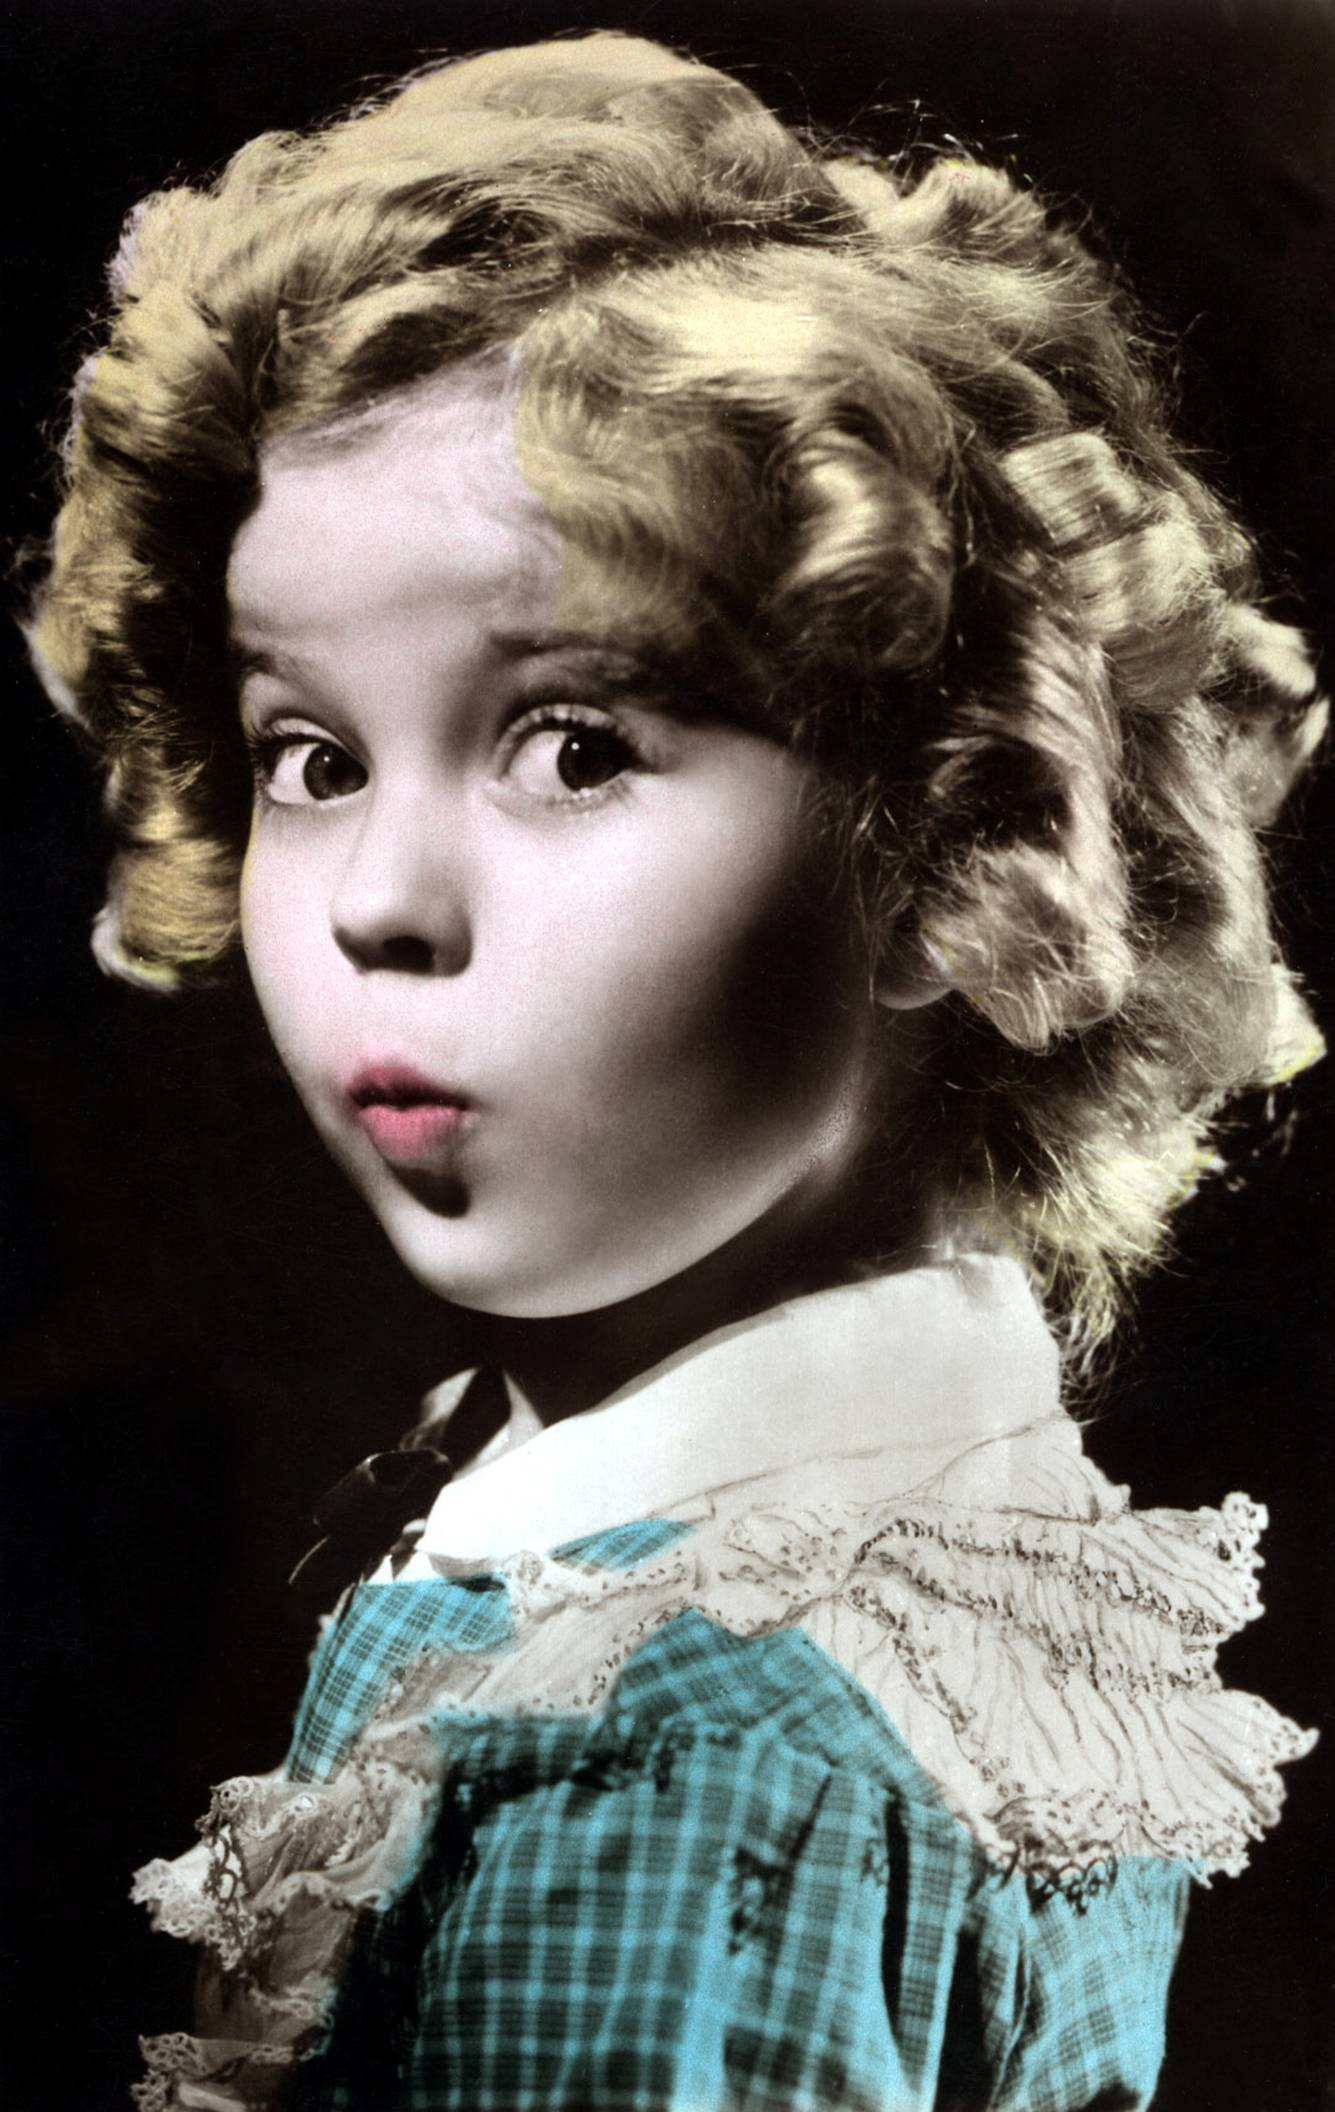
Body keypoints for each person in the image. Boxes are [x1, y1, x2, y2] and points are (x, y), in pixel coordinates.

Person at [27, 30, 1323, 2111]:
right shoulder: (930, 1529)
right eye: (313, 757)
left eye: (573, 746)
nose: (382, 903)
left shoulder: (670, 1749)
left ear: (956, 842)